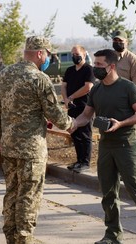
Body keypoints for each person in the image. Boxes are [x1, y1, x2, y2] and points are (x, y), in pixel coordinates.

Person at [70, 49, 136, 244]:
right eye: (94, 64)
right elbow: (86, 115)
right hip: (106, 146)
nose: (95, 68)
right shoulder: (96, 89)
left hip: (126, 145)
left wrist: (121, 123)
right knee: (108, 193)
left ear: (112, 66)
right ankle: (112, 235)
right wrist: (73, 124)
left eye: (99, 65)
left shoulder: (127, 87)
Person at [0, 36, 74, 244]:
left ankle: (11, 239)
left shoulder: (4, 74)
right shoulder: (39, 78)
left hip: (9, 147)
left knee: (12, 193)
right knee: (29, 197)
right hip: (31, 150)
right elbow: (55, 114)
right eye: (46, 54)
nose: (47, 58)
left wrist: (0, 138)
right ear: (39, 53)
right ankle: (24, 240)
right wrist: (70, 123)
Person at [61, 45, 95, 173]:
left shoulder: (89, 70)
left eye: (77, 54)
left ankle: (85, 162)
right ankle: (79, 160)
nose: (74, 56)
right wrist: (66, 100)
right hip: (72, 107)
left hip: (85, 106)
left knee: (85, 134)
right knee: (75, 133)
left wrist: (71, 97)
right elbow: (64, 85)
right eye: (72, 54)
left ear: (84, 54)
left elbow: (88, 87)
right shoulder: (69, 70)